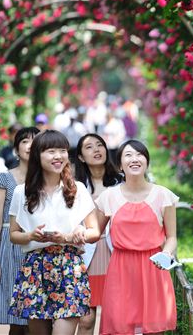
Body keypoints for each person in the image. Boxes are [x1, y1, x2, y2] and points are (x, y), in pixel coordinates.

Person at [8, 130, 101, 335]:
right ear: (37, 156)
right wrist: (31, 236)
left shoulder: (77, 189)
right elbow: (13, 234)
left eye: (62, 150)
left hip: (69, 266)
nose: (58, 156)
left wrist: (70, 236)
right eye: (51, 151)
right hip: (35, 268)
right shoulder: (20, 192)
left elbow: (94, 231)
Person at [95, 139, 179, 334]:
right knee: (118, 326)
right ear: (120, 164)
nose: (134, 159)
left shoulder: (163, 195)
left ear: (147, 161)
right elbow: (94, 232)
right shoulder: (109, 197)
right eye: (128, 155)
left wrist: (166, 254)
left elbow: (172, 237)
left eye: (139, 154)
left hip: (153, 268)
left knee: (154, 328)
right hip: (121, 268)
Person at [0, 126, 40, 335]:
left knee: (40, 316)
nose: (31, 145)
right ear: (16, 149)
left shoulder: (49, 179)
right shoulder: (4, 179)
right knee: (17, 319)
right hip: (11, 248)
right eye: (25, 141)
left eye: (36, 141)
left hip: (40, 248)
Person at [74, 134, 122, 335]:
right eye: (89, 147)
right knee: (86, 319)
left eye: (100, 145)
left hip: (117, 255)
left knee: (118, 317)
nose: (96, 149)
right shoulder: (74, 186)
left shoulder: (122, 182)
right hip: (85, 255)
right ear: (81, 157)